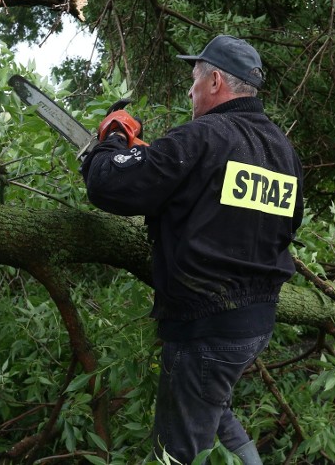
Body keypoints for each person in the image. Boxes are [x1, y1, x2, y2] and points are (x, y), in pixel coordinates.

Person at [81, 35, 305, 464]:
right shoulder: (281, 149)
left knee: (178, 452)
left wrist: (114, 136)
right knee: (213, 406)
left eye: (195, 79)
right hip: (255, 322)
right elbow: (283, 224)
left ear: (216, 81)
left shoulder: (202, 137)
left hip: (207, 329)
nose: (190, 89)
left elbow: (110, 185)